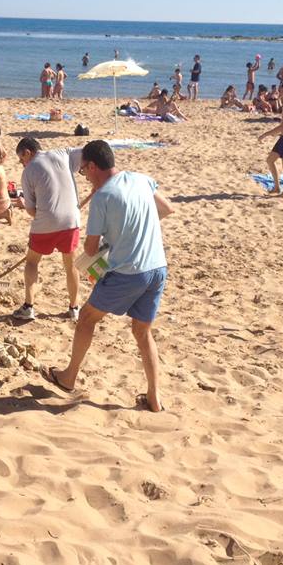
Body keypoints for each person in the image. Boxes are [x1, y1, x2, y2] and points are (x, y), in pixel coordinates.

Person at [42, 140, 173, 413]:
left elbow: (90, 248)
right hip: (158, 268)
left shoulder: (103, 197)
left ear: (92, 166)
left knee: (86, 319)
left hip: (129, 272)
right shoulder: (140, 179)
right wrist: (132, 230)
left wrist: (115, 238)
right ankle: (154, 397)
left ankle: (68, 377)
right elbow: (165, 209)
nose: (85, 177)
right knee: (141, 331)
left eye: (84, 172)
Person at [12, 137, 83, 321]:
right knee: (71, 265)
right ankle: (74, 308)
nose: (22, 164)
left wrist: (27, 207)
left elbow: (31, 210)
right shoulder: (63, 154)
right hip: (71, 220)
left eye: (21, 159)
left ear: (28, 152)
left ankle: (29, 306)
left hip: (46, 221)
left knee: (32, 261)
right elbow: (90, 151)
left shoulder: (28, 171)